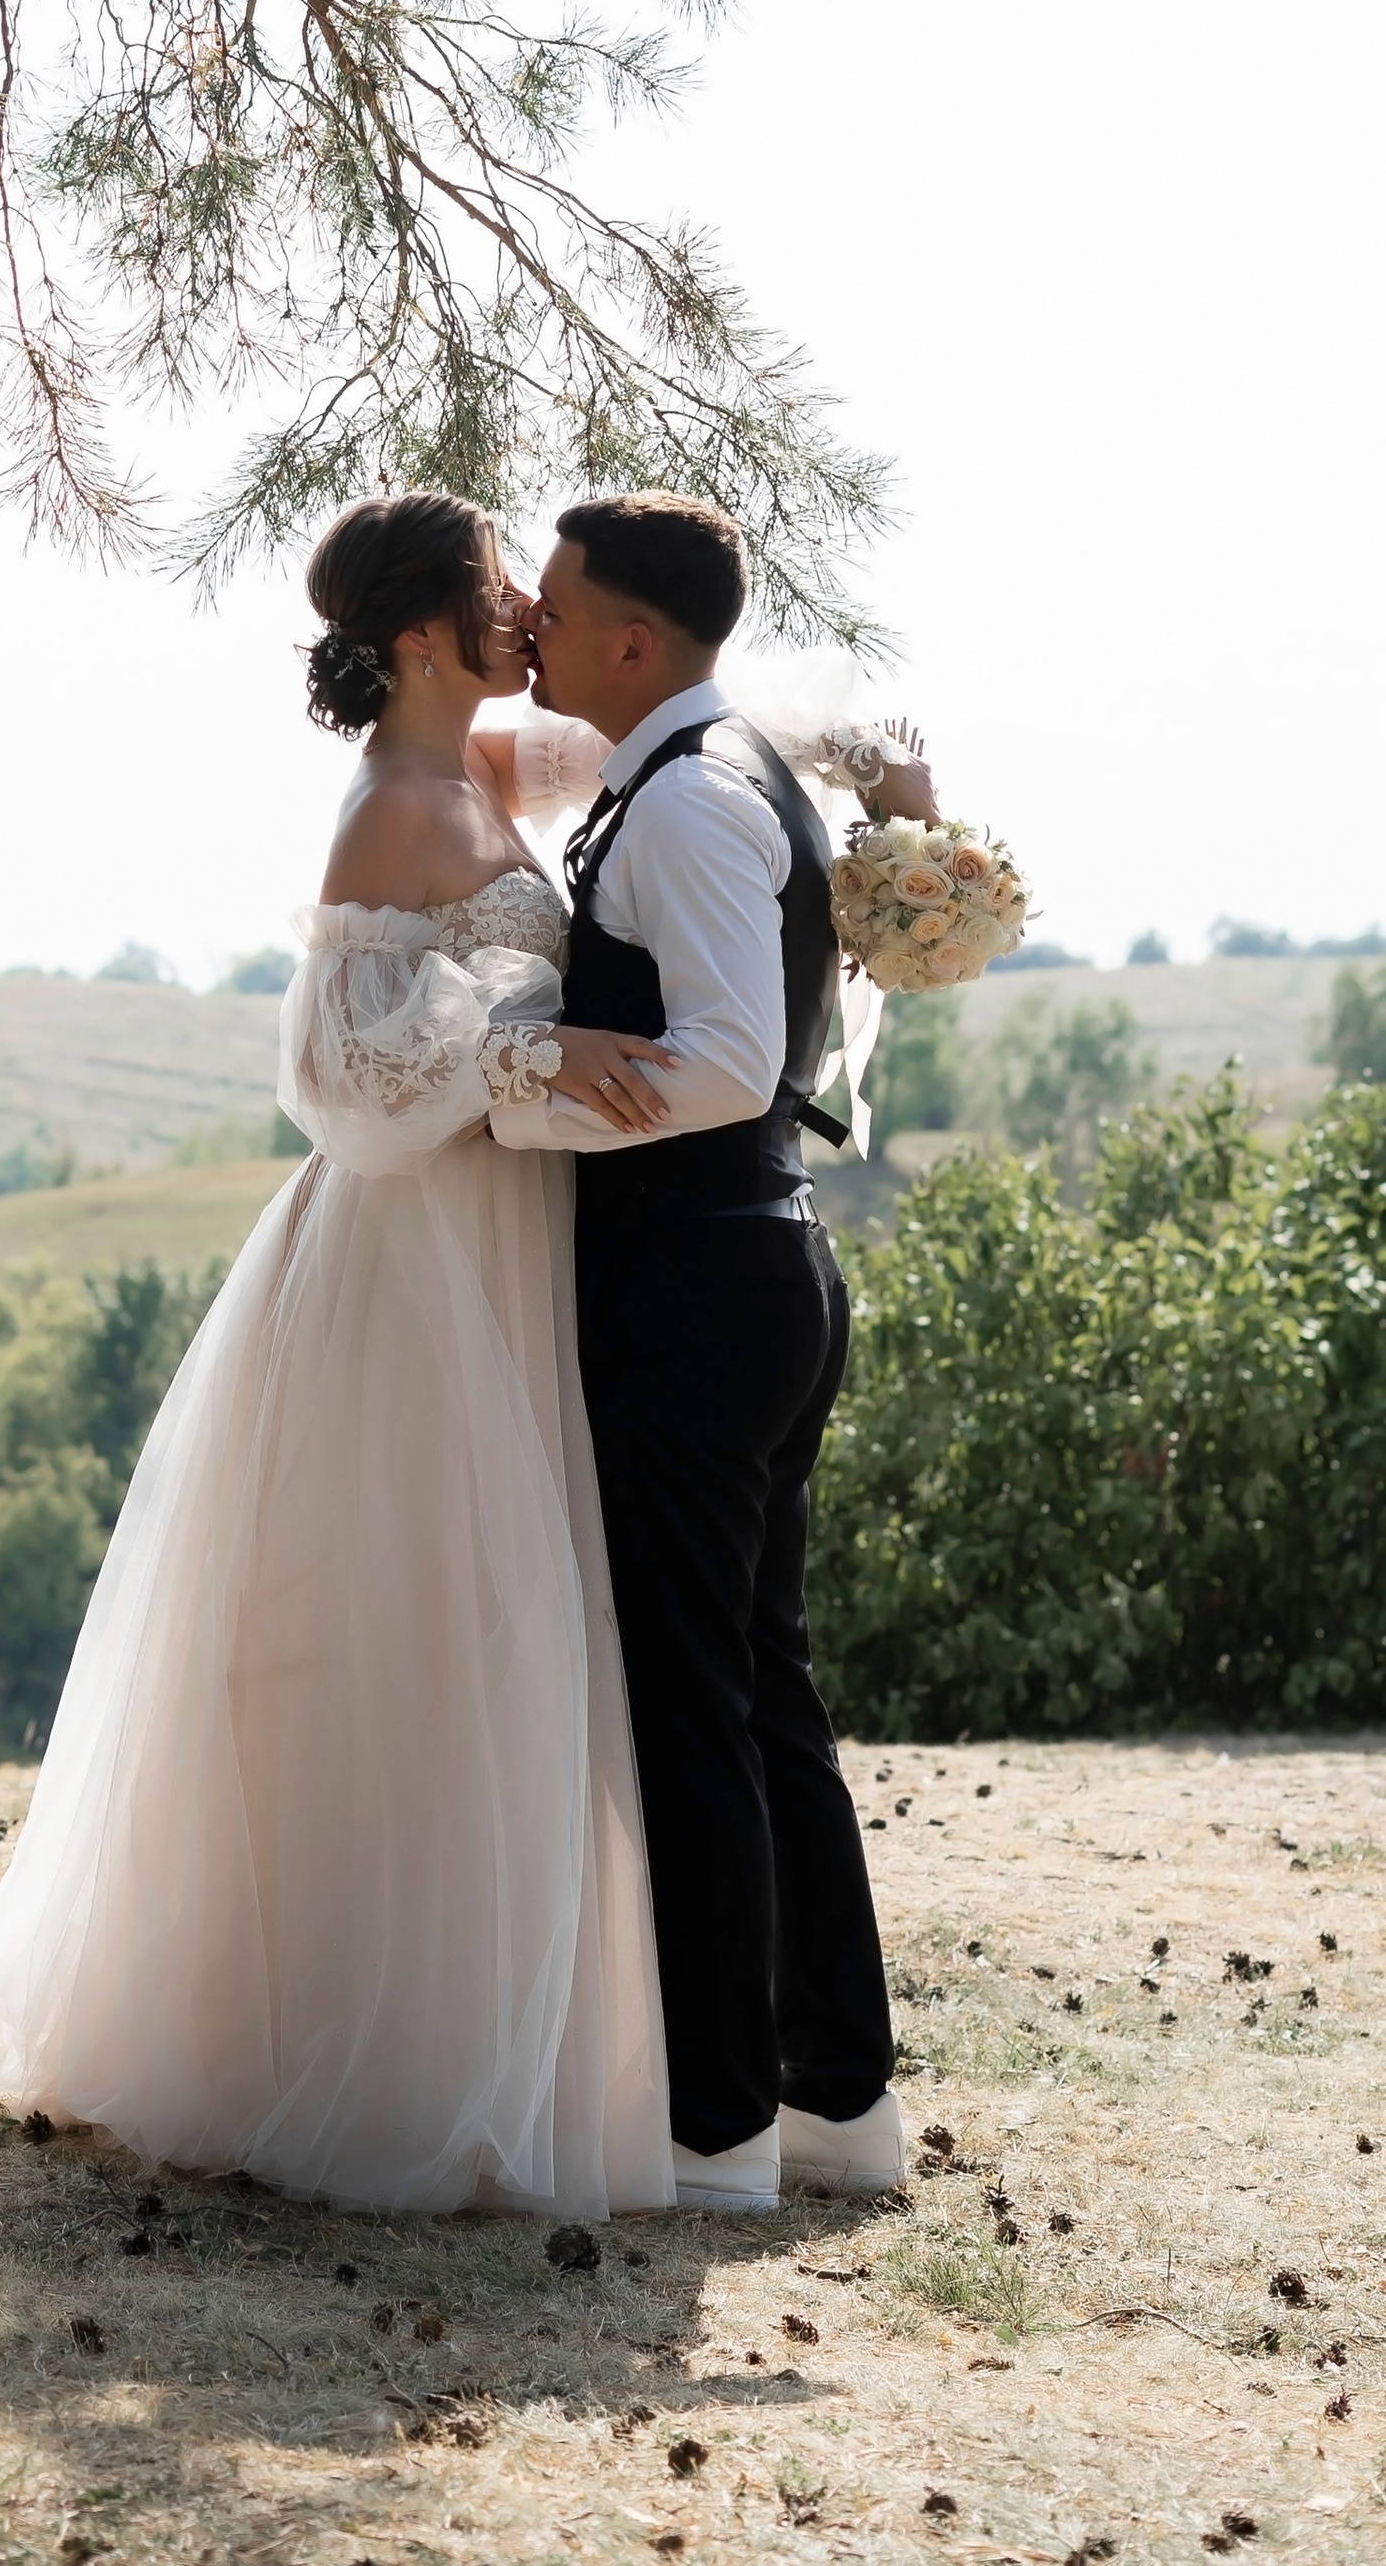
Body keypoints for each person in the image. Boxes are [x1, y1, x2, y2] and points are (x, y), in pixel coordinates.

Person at [0, 489, 686, 2213]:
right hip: (412, 1260)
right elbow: (350, 1092)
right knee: (413, 1627)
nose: (527, 607)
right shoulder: (391, 817)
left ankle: (530, 2028)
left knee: (510, 1620)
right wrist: (547, 1057)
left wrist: (850, 764)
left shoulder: (502, 772)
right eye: (501, 585)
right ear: (424, 632)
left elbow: (665, 748)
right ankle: (366, 2049)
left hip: (513, 1247)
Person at [519, 491, 920, 2210]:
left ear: (630, 639)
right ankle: (843, 2103)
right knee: (765, 1696)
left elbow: (729, 1061)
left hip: (694, 1284)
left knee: (699, 1710)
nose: (531, 629)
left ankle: (721, 2134)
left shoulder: (685, 802)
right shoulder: (722, 761)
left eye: (552, 604)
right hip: (766, 1268)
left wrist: (527, 1095)